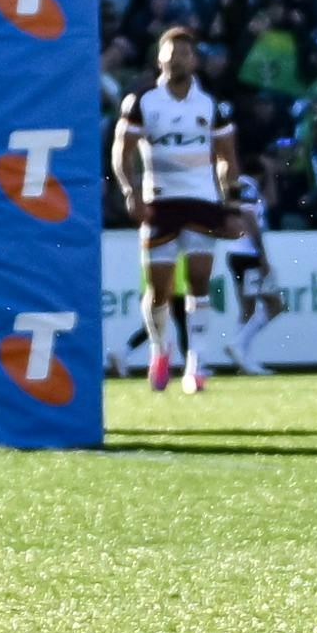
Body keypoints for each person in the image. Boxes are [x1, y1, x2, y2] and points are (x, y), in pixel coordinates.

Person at [112, 26, 237, 395]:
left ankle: (196, 361)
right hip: (159, 201)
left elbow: (227, 158)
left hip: (201, 200)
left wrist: (229, 196)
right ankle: (159, 349)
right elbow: (123, 150)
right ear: (159, 57)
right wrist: (130, 189)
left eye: (185, 52)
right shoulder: (142, 102)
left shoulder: (211, 105)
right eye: (171, 51)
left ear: (194, 60)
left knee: (200, 281)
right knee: (159, 288)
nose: (177, 58)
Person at [222, 174, 282, 375]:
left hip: (235, 256)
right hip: (250, 258)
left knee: (247, 309)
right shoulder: (249, 201)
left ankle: (242, 360)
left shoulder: (234, 201)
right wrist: (264, 260)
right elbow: (255, 233)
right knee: (275, 304)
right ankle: (237, 344)